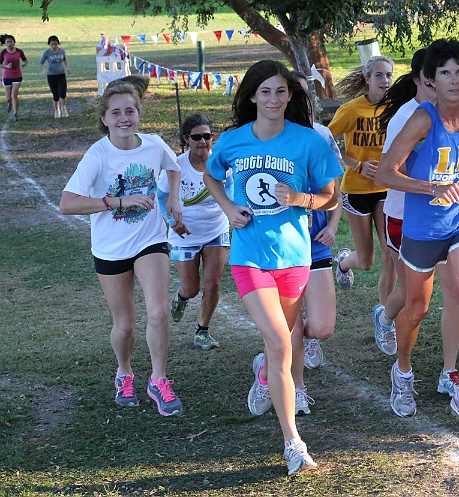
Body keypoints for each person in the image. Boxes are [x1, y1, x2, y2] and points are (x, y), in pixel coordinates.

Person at [203, 60, 342, 475]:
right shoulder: (231, 142)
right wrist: (228, 208)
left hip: (295, 257)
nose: (274, 99)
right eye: (265, 92)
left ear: (290, 96)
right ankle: (293, 442)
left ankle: (266, 372)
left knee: (284, 341)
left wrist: (301, 199)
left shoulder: (309, 142)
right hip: (249, 257)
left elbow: (331, 197)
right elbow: (212, 176)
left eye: (281, 92)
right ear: (251, 96)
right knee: (282, 344)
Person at [376, 39, 459, 438]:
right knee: (416, 309)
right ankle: (404, 370)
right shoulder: (421, 119)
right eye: (445, 72)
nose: (454, 79)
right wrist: (431, 188)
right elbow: (384, 174)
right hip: (424, 229)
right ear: (430, 79)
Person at [59, 76, 184, 417]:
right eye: (116, 113)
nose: (124, 118)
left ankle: (158, 380)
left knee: (158, 311)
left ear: (139, 114)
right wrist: (118, 201)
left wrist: (173, 200)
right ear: (104, 119)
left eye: (130, 111)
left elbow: (173, 166)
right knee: (125, 324)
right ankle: (124, 371)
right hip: (110, 248)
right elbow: (68, 203)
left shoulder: (155, 144)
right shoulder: (98, 155)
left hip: (150, 240)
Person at [373, 48, 459, 398]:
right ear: (422, 80)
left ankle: (449, 370)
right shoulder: (407, 117)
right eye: (437, 77)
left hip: (449, 218)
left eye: (454, 73)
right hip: (404, 217)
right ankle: (385, 317)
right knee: (416, 299)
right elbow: (389, 172)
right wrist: (433, 185)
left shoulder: (458, 112)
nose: (446, 83)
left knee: (456, 290)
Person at [288, 71, 344, 415]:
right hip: (281, 246)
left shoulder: (321, 135)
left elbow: (335, 190)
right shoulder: (265, 138)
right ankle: (296, 388)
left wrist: (334, 225)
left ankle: (272, 356)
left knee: (321, 327)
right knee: (292, 329)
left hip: (316, 244)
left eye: (305, 94)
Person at [158, 114, 232, 351]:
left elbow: (230, 191)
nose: (203, 142)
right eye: (197, 137)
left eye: (208, 136)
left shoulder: (221, 165)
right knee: (192, 288)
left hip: (216, 229)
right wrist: (172, 221)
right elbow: (160, 197)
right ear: (186, 139)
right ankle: (181, 296)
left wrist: (233, 210)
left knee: (213, 283)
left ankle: (202, 330)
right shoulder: (176, 167)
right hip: (184, 233)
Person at [328, 56, 397, 309]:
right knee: (367, 261)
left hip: (386, 189)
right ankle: (344, 262)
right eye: (379, 75)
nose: (385, 80)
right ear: (367, 79)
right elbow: (327, 141)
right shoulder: (351, 110)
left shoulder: (396, 108)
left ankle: (384, 317)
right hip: (356, 190)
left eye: (388, 75)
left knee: (390, 255)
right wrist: (357, 165)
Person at [39, 35, 71, 118]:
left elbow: (65, 60)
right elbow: (41, 63)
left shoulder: (62, 51)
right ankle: (57, 111)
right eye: (52, 44)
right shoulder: (47, 52)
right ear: (49, 44)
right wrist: (44, 70)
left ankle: (63, 108)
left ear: (58, 44)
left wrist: (67, 67)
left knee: (63, 93)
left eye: (55, 44)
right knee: (55, 95)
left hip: (61, 74)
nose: (54, 46)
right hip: (51, 76)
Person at [1, 34, 28, 122]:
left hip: (17, 75)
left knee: (14, 95)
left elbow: (25, 60)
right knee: (8, 97)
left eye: (11, 41)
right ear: (5, 43)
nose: (9, 43)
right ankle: (10, 104)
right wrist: (6, 66)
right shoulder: (3, 52)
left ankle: (15, 113)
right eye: (7, 42)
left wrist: (24, 63)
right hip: (7, 75)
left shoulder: (19, 51)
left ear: (14, 42)